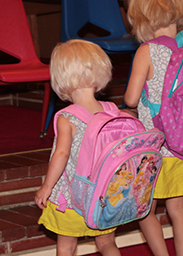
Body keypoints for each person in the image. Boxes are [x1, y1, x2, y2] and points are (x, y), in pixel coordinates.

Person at [124, 0, 183, 256]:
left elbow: (131, 99)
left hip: (156, 148)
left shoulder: (146, 52)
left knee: (145, 209)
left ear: (141, 18)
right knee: (178, 208)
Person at [35, 39, 121, 256]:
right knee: (107, 243)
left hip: (73, 196)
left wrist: (47, 186)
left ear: (61, 78)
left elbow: (61, 154)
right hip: (104, 194)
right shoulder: (112, 111)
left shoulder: (67, 118)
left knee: (66, 245)